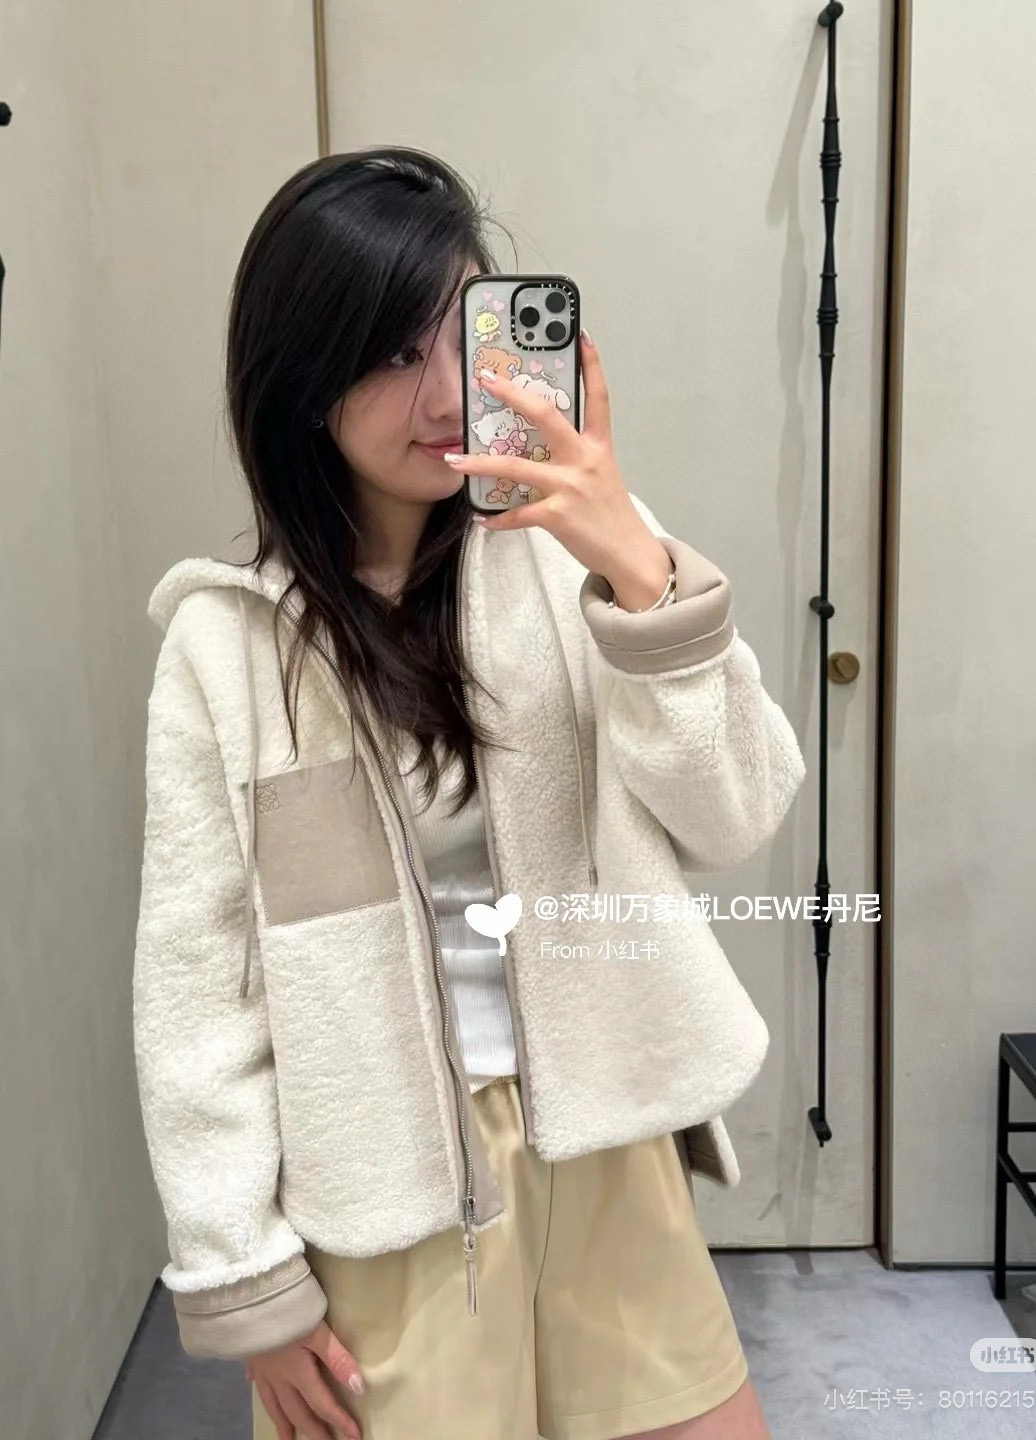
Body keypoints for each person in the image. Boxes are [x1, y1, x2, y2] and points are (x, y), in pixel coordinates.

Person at [132, 146, 805, 1440]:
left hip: (605, 1144)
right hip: (387, 1196)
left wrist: (641, 577)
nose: (447, 391)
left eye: (465, 333)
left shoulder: (580, 560)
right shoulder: (227, 651)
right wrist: (243, 1276)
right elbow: (197, 992)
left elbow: (738, 814)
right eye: (395, 351)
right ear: (303, 376)